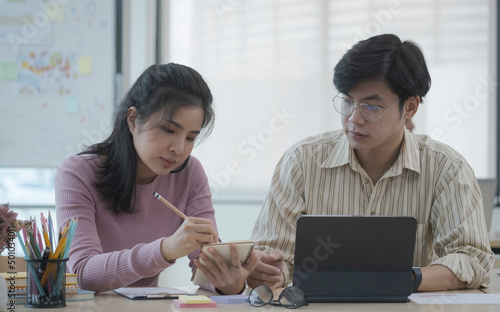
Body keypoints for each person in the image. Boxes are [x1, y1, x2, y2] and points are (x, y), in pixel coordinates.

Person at [248, 34, 494, 292]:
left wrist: (401, 279)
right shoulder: (301, 162)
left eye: (372, 107)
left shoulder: (447, 168)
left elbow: (472, 258)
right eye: (347, 101)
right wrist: (267, 272)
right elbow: (272, 256)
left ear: (410, 107)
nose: (354, 119)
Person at [55, 63, 256, 294]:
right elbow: (83, 274)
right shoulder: (77, 174)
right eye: (169, 130)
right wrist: (165, 249)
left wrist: (231, 281)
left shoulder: (190, 174)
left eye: (190, 137)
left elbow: (206, 266)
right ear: (132, 120)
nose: (179, 149)